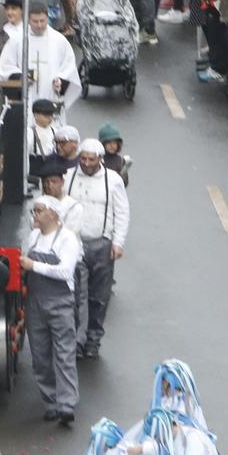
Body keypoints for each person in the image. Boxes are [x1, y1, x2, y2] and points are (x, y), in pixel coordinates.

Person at [21, 195, 82, 427]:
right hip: (36, 301)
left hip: (60, 301)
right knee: (40, 354)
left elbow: (66, 271)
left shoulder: (67, 240)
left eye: (38, 211)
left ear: (53, 215)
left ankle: (67, 404)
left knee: (64, 353)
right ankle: (51, 401)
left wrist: (33, 265)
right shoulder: (34, 237)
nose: (34, 215)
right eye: (34, 211)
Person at [65, 138, 129, 359]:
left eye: (91, 159)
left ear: (100, 159)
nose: (86, 163)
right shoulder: (69, 177)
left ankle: (93, 338)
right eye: (83, 158)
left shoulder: (113, 181)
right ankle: (78, 340)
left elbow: (121, 213)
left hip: (102, 244)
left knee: (98, 297)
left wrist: (118, 242)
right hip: (75, 245)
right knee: (77, 295)